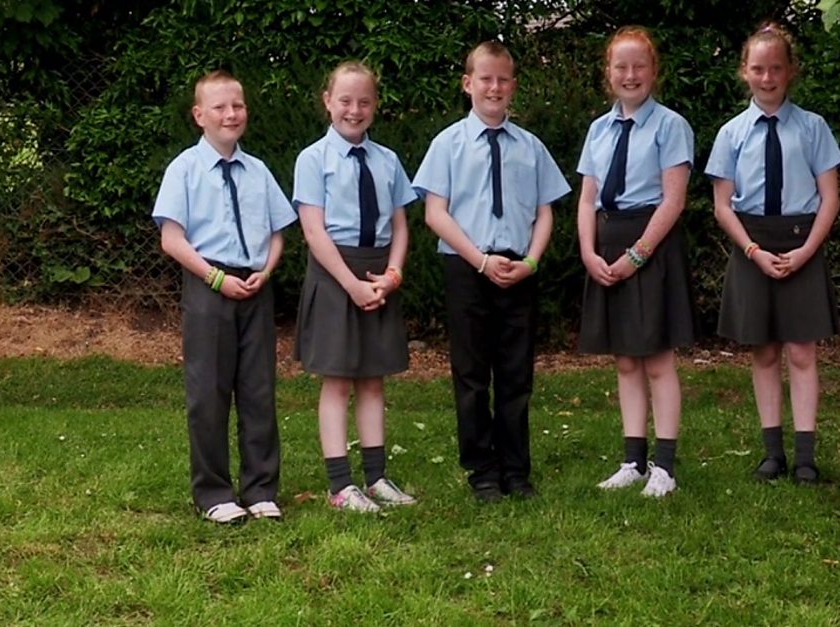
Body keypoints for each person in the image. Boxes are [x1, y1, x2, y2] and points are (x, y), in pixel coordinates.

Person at [412, 41, 571, 503]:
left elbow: (545, 212)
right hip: (467, 267)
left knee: (516, 373)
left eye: (503, 80)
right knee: (471, 373)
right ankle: (482, 470)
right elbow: (435, 213)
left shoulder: (531, 147)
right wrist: (480, 260)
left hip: (519, 268)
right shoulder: (448, 144)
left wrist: (531, 262)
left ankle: (516, 471)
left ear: (514, 86)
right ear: (468, 84)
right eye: (485, 79)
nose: (494, 87)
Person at [152, 70, 297, 523]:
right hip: (209, 287)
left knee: (258, 389)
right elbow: (172, 239)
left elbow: (278, 231)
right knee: (209, 391)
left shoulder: (258, 172)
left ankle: (260, 489)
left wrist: (266, 271)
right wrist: (216, 279)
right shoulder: (185, 169)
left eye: (238, 105)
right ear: (199, 115)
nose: (231, 114)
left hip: (254, 286)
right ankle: (214, 493)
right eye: (219, 107)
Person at [705, 21, 840, 485]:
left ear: (790, 71)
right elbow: (722, 206)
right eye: (759, 69)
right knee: (763, 352)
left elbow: (830, 198)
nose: (767, 78)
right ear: (744, 71)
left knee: (802, 351)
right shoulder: (731, 133)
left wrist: (805, 252)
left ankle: (805, 456)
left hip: (802, 242)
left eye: (776, 69)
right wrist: (752, 250)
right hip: (752, 246)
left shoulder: (813, 128)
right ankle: (772, 454)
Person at [292, 61, 419, 513]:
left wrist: (393, 275)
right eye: (345, 100)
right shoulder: (313, 159)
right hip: (336, 275)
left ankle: (377, 477)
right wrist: (351, 285)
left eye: (364, 101)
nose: (354, 110)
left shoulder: (388, 161)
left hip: (377, 275)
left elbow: (400, 225)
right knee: (338, 380)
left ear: (375, 105)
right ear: (327, 101)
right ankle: (341, 486)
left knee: (372, 380)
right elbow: (313, 231)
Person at [577, 26, 696, 499]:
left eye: (638, 66)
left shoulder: (670, 126)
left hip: (651, 245)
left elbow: (674, 200)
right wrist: (589, 251)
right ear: (608, 72)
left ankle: (664, 467)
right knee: (626, 361)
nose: (630, 75)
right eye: (621, 67)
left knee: (657, 360)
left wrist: (637, 255)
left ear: (653, 70)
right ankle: (633, 461)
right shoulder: (598, 130)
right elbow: (587, 198)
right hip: (607, 243)